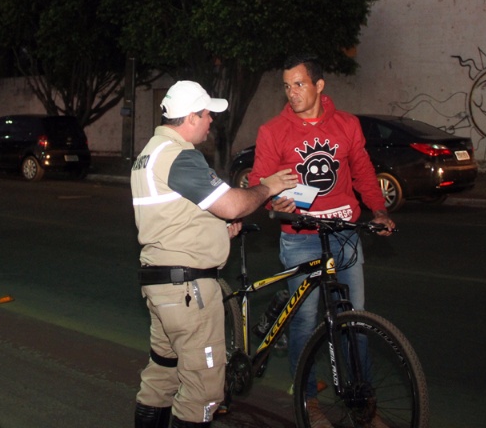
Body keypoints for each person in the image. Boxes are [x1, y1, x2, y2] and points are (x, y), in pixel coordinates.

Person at [132, 80, 299, 428]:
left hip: (162, 286)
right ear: (191, 117)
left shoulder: (150, 153)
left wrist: (216, 230)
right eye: (207, 114)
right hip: (189, 293)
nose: (212, 121)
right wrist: (268, 186)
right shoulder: (181, 157)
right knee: (202, 394)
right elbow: (232, 204)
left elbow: (172, 217)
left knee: (162, 376)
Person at [249, 55, 395, 422]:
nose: (292, 92)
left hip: (344, 234)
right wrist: (272, 197)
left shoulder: (346, 125)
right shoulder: (273, 131)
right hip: (300, 237)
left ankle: (363, 402)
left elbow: (362, 171)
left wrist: (378, 211)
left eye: (299, 84)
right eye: (287, 85)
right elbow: (258, 182)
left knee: (354, 320)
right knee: (304, 320)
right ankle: (308, 398)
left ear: (318, 85)